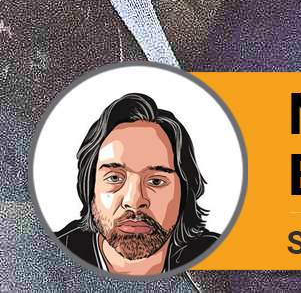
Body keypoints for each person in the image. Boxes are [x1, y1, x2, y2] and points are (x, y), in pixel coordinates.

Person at [55, 93, 220, 276]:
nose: (134, 202)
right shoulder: (49, 257)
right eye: (114, 178)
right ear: (89, 186)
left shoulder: (222, 261)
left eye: (156, 181)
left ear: (185, 191)